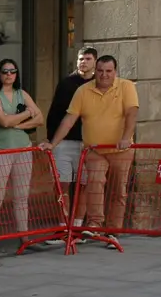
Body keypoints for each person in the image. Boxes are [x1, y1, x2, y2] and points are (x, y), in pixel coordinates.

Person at [40, 55, 139, 248]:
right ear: (96, 71)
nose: (104, 75)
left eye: (108, 71)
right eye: (100, 71)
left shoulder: (126, 86)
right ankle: (95, 225)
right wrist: (53, 143)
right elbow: (69, 120)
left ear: (115, 72)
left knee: (118, 190)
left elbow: (131, 113)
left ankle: (113, 232)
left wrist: (126, 137)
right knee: (94, 184)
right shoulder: (83, 91)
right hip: (94, 149)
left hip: (121, 150)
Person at [0, 59, 43, 242]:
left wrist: (17, 125)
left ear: (17, 74)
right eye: (5, 71)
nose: (9, 75)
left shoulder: (21, 93)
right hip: (0, 150)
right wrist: (26, 114)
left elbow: (40, 119)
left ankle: (24, 237)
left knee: (22, 196)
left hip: (23, 148)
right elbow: (3, 121)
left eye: (12, 71)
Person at [44, 47, 98, 245]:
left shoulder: (98, 85)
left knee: (83, 186)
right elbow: (55, 113)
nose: (83, 62)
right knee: (61, 184)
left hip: (88, 143)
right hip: (64, 142)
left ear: (95, 61)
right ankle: (63, 226)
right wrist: (51, 141)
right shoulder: (66, 83)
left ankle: (78, 226)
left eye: (88, 59)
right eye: (81, 58)